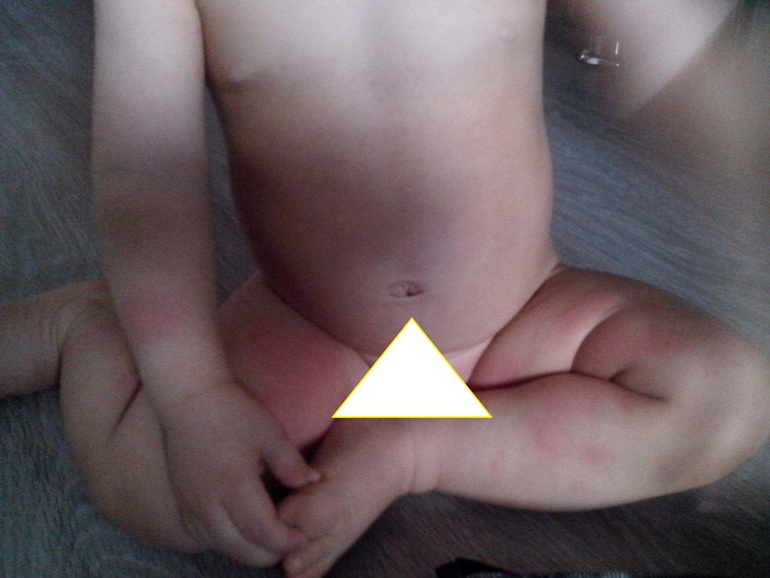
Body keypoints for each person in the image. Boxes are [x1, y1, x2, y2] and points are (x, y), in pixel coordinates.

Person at [1, 2, 768, 577]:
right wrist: (193, 394)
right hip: (315, 328)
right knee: (162, 494)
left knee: (726, 397)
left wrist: (716, 120)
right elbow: (147, 174)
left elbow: (682, 67)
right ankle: (85, 325)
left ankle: (414, 446)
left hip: (519, 316)